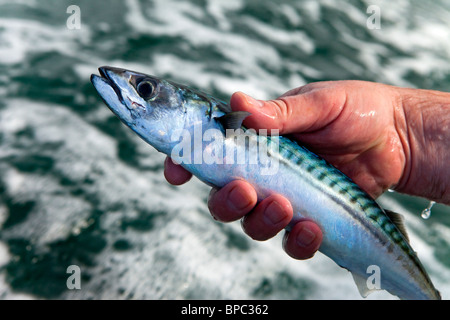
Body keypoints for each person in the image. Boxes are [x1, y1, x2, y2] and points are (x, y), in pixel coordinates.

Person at [164, 80, 450, 260]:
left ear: (200, 112)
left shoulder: (220, 124)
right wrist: (403, 130)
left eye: (146, 91)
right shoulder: (200, 139)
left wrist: (402, 127)